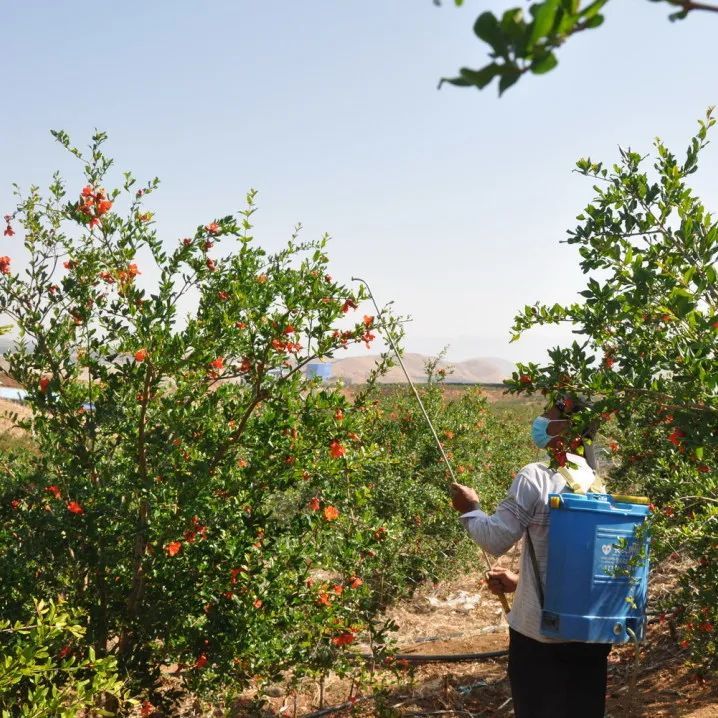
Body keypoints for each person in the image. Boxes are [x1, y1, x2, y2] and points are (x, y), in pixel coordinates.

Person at [450, 398, 611, 718]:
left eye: (548, 416)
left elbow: (495, 539)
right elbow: (579, 565)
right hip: (589, 636)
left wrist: (470, 509)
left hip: (540, 639)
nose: (540, 422)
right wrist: (519, 583)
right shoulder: (599, 483)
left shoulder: (536, 477)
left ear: (566, 429)